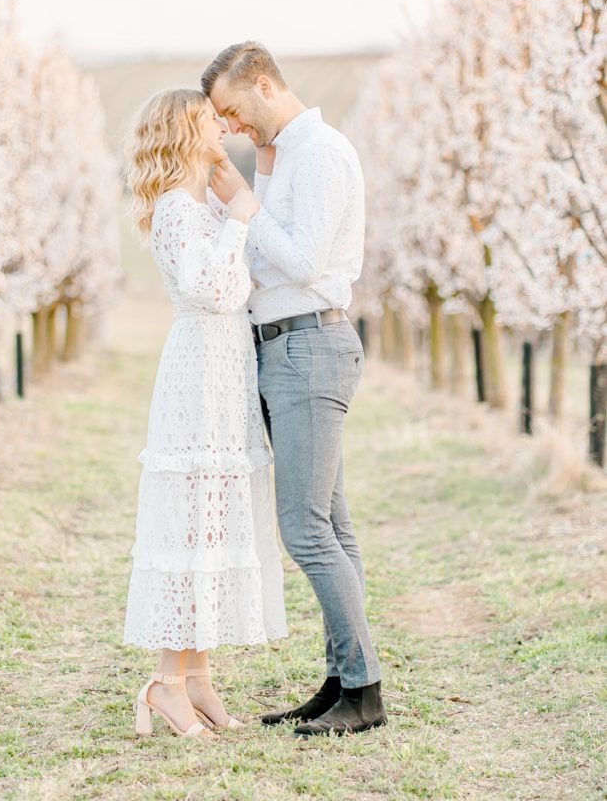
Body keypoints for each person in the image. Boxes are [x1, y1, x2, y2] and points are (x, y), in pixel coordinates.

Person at [203, 42, 387, 737]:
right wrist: (257, 190)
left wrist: (245, 204)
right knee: (331, 526)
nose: (228, 125)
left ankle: (364, 691)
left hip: (309, 345)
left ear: (262, 82)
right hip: (290, 346)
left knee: (305, 530)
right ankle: (345, 677)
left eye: (231, 109)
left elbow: (303, 258)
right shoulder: (288, 156)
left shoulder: (319, 151)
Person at [122, 87, 287, 741]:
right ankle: (165, 682)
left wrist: (239, 207)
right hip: (198, 372)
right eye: (208, 121)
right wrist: (242, 216)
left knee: (214, 521)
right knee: (191, 523)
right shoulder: (173, 210)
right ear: (184, 134)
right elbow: (213, 290)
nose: (223, 127)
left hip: (227, 372)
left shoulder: (204, 208)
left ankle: (196, 677)